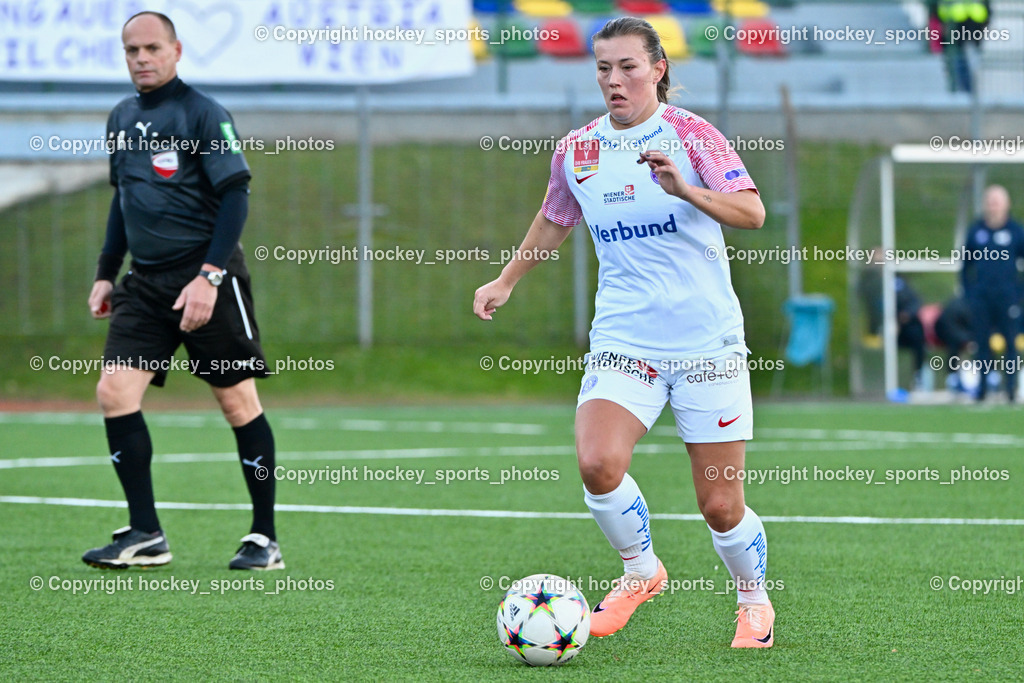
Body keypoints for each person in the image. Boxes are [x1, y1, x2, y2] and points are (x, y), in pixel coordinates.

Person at [474, 17, 773, 647]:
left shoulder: (693, 135)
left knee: (719, 506)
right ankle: (641, 572)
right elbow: (556, 217)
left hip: (706, 345)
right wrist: (506, 281)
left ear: (658, 69)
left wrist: (685, 190)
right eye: (604, 69)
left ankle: (753, 599)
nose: (615, 80)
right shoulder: (577, 149)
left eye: (628, 67)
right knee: (597, 462)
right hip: (624, 338)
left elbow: (751, 212)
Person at [83, 11, 282, 570]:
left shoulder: (202, 113)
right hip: (144, 285)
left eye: (151, 47)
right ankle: (146, 533)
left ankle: (265, 539)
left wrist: (209, 277)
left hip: (207, 278)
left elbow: (236, 197)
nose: (141, 58)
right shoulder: (121, 117)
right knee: (114, 393)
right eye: (131, 50)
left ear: (176, 50)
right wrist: (105, 270)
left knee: (237, 401)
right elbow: (123, 201)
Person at [960, 185, 1024, 402]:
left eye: (997, 201)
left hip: (1008, 299)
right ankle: (983, 389)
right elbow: (965, 265)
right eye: (989, 201)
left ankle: (1011, 390)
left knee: (1010, 344)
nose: (993, 206)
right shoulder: (976, 231)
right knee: (982, 344)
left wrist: (1018, 292)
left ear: (1006, 204)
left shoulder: (1016, 231)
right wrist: (970, 294)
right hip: (982, 299)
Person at [858, 248, 927, 389]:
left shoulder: (898, 280)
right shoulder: (870, 280)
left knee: (917, 336)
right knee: (887, 336)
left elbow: (915, 301)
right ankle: (882, 384)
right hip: (880, 326)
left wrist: (906, 314)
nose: (881, 259)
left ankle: (918, 377)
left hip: (902, 328)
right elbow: (871, 302)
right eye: (877, 257)